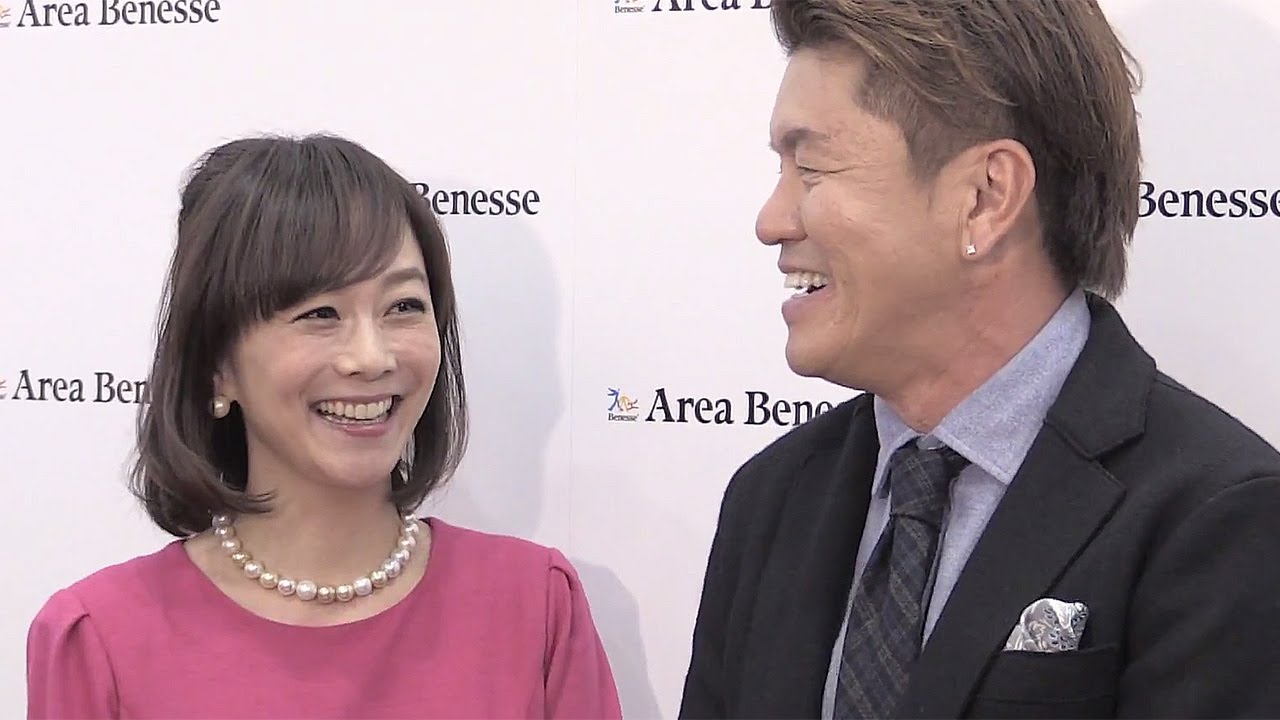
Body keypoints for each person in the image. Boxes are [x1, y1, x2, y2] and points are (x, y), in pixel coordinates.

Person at [679, 1, 1280, 718]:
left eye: (810, 168)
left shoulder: (1216, 518)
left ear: (987, 198)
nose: (771, 220)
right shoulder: (772, 499)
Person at [26, 134, 622, 719]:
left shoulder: (535, 605)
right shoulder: (101, 638)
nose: (371, 357)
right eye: (320, 314)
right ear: (216, 367)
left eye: (403, 307)